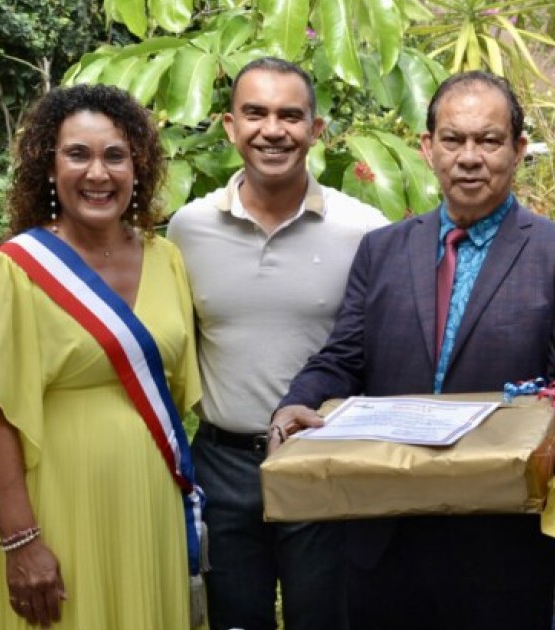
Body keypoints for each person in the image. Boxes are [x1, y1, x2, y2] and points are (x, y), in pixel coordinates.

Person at [270, 70, 555, 630]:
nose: (469, 157)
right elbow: (344, 356)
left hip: (500, 546)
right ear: (428, 148)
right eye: (453, 139)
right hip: (385, 536)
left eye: (489, 140)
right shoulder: (381, 251)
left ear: (519, 149)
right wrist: (296, 402)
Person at [0, 83, 202, 629]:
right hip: (51, 508)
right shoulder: (10, 272)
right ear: (48, 166)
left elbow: (173, 392)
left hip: (145, 507)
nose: (98, 173)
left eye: (115, 155)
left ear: (139, 166)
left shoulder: (167, 260)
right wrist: (21, 542)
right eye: (77, 154)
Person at [167, 57, 389, 630]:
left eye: (291, 116)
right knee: (235, 620)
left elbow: (374, 349)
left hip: (324, 459)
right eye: (256, 113)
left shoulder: (363, 229)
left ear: (316, 131)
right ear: (229, 126)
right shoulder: (188, 229)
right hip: (223, 463)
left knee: (328, 619)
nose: (273, 130)